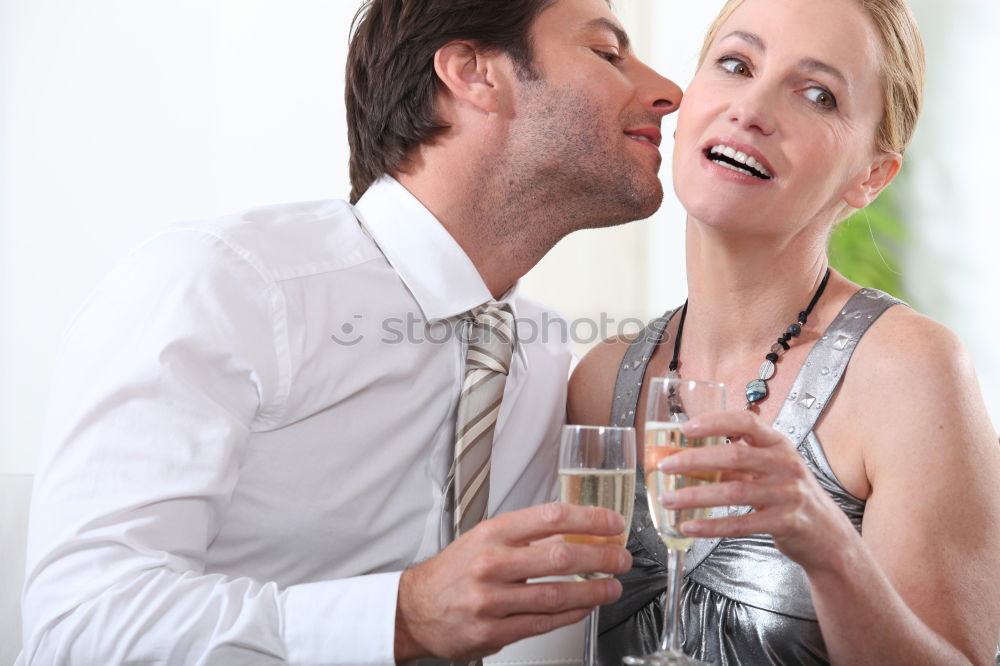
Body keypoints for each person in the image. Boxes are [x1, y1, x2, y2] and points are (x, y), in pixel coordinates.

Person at [18, 0, 683, 663]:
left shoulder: (542, 352)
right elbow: (78, 629)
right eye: (606, 53)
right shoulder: (225, 287)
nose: (668, 92)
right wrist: (403, 617)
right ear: (473, 73)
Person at [568, 0, 1000, 664]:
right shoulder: (601, 378)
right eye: (736, 64)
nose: (752, 108)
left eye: (818, 95)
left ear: (871, 177)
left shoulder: (909, 370)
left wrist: (825, 544)